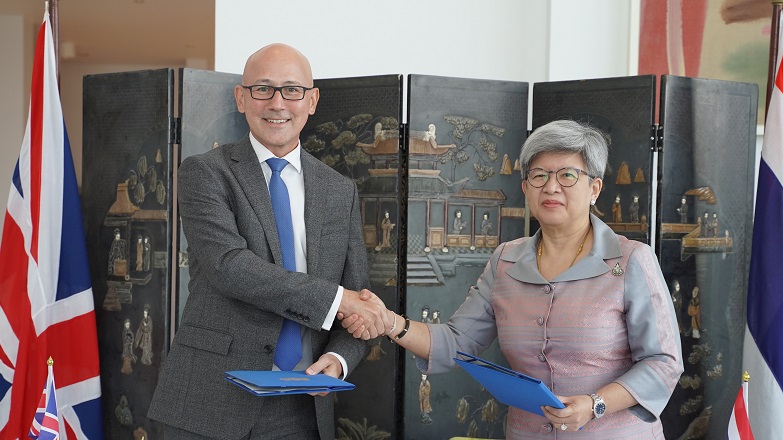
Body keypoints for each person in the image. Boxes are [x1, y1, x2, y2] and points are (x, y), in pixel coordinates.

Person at [343, 120, 683, 438]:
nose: (551, 187)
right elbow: (457, 341)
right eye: (539, 175)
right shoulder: (506, 260)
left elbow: (663, 362)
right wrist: (389, 322)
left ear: (594, 188)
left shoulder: (630, 260)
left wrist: (596, 404)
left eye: (567, 175)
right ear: (525, 188)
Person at [148, 43, 391, 440]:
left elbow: (356, 297)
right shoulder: (205, 173)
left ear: (312, 100)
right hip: (211, 399)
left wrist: (338, 358)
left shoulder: (339, 190)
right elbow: (230, 267)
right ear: (241, 98)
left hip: (303, 404)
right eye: (263, 89)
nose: (277, 103)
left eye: (292, 90)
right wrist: (338, 300)